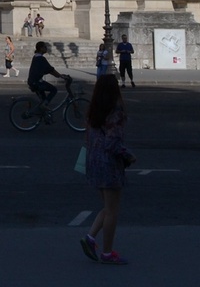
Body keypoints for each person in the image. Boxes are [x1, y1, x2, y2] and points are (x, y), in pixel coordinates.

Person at [81, 74, 136, 265]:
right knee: (113, 210)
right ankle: (107, 253)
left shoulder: (93, 110)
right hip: (108, 164)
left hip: (92, 161)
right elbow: (113, 142)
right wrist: (129, 155)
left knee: (107, 206)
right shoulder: (116, 110)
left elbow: (89, 138)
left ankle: (90, 238)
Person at [26, 40, 65, 112]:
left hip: (33, 81)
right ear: (41, 48)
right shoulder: (41, 58)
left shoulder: (36, 57)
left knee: (44, 101)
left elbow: (47, 70)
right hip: (36, 82)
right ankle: (42, 107)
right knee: (54, 90)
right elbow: (50, 69)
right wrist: (60, 76)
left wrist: (58, 75)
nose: (46, 48)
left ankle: (44, 115)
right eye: (45, 47)